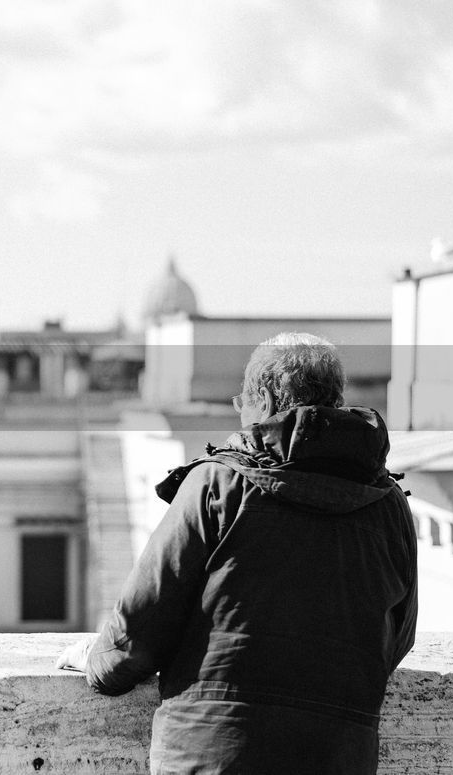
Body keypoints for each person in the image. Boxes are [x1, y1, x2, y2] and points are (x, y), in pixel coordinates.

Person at [57, 332, 418, 774]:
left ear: (263, 401)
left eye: (241, 404)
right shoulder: (389, 506)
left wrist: (95, 658)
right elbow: (396, 639)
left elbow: (138, 630)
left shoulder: (219, 485)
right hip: (336, 758)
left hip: (211, 756)